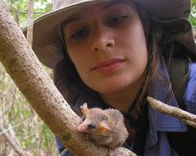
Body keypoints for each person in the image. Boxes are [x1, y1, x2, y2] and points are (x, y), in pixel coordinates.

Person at [27, 0, 196, 155]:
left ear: (145, 27)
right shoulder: (70, 116)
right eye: (79, 33)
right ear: (67, 53)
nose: (101, 42)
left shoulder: (191, 93)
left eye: (117, 19)